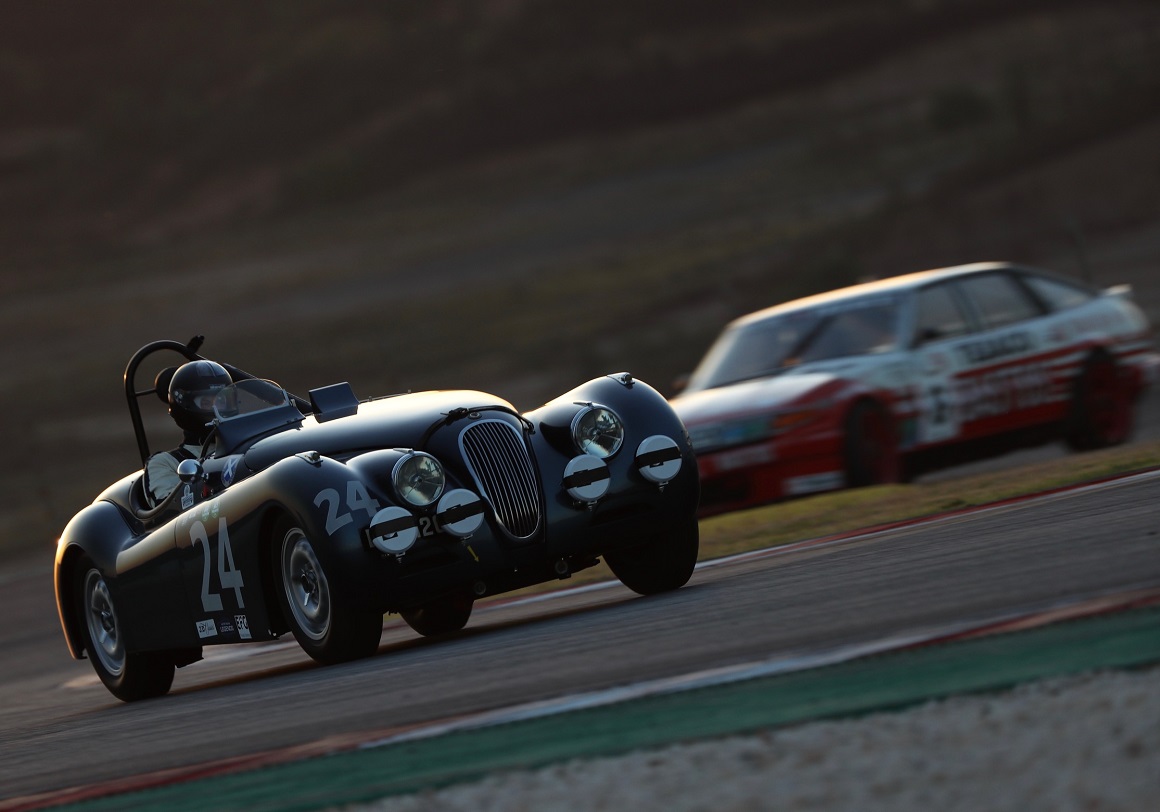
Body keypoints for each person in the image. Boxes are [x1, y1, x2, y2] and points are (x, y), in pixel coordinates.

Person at [144, 360, 231, 507]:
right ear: (185, 405)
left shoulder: (246, 444)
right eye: (206, 403)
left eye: (222, 401)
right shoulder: (164, 463)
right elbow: (171, 512)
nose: (216, 409)